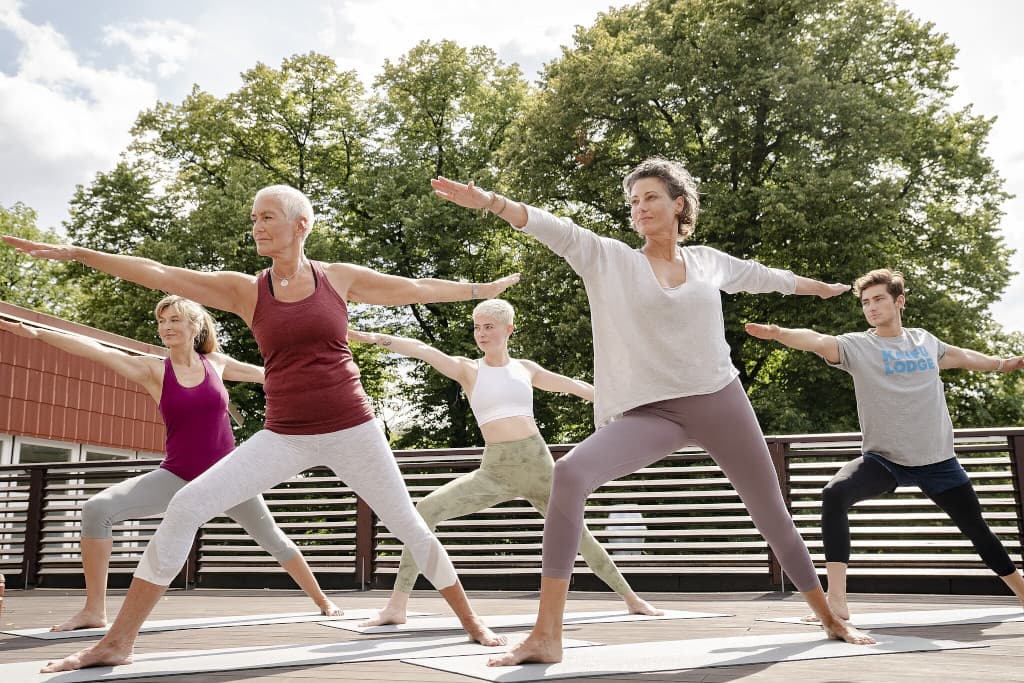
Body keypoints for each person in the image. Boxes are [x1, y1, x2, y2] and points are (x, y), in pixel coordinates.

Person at [2, 183, 518, 672]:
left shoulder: (337, 278)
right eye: (253, 219)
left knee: (408, 524)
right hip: (284, 434)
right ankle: (117, 641)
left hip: (352, 428)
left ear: (301, 224)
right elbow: (157, 270)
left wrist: (481, 289)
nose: (256, 227)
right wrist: (77, 254)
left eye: (266, 217)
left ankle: (471, 621)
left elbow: (414, 288)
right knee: (185, 506)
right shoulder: (247, 291)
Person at [430, 157, 874, 666]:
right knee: (571, 472)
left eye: (651, 198)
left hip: (719, 399)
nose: (639, 208)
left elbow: (763, 276)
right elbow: (553, 228)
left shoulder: (708, 262)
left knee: (770, 513)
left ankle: (829, 616)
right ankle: (546, 635)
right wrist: (490, 202)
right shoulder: (610, 259)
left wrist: (817, 287)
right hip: (652, 413)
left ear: (678, 204)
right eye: (634, 201)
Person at [0, 296, 343, 632]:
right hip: (178, 474)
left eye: (174, 320)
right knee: (96, 509)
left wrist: (327, 377)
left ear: (194, 326)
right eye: (162, 321)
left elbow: (274, 375)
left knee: (274, 540)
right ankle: (94, 610)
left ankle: (323, 601)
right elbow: (97, 350)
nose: (166, 327)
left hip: (230, 477)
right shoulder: (152, 368)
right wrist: (37, 333)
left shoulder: (217, 363)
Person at [351, 299, 661, 627]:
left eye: (489, 327)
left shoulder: (525, 369)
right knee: (425, 510)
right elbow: (419, 348)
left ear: (508, 330)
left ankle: (633, 599)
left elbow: (576, 388)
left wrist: (630, 406)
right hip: (495, 470)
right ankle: (397, 606)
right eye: (477, 327)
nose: (481, 334)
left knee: (578, 534)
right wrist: (371, 338)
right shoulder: (468, 370)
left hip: (539, 467)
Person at [746, 268, 1024, 621]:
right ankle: (837, 602)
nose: (871, 307)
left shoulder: (926, 342)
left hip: (937, 460)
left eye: (879, 299)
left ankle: (1022, 593)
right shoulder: (859, 346)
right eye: (865, 302)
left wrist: (1003, 364)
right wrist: (779, 334)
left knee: (977, 529)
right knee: (834, 494)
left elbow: (966, 357)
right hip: (884, 460)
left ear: (899, 301)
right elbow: (817, 340)